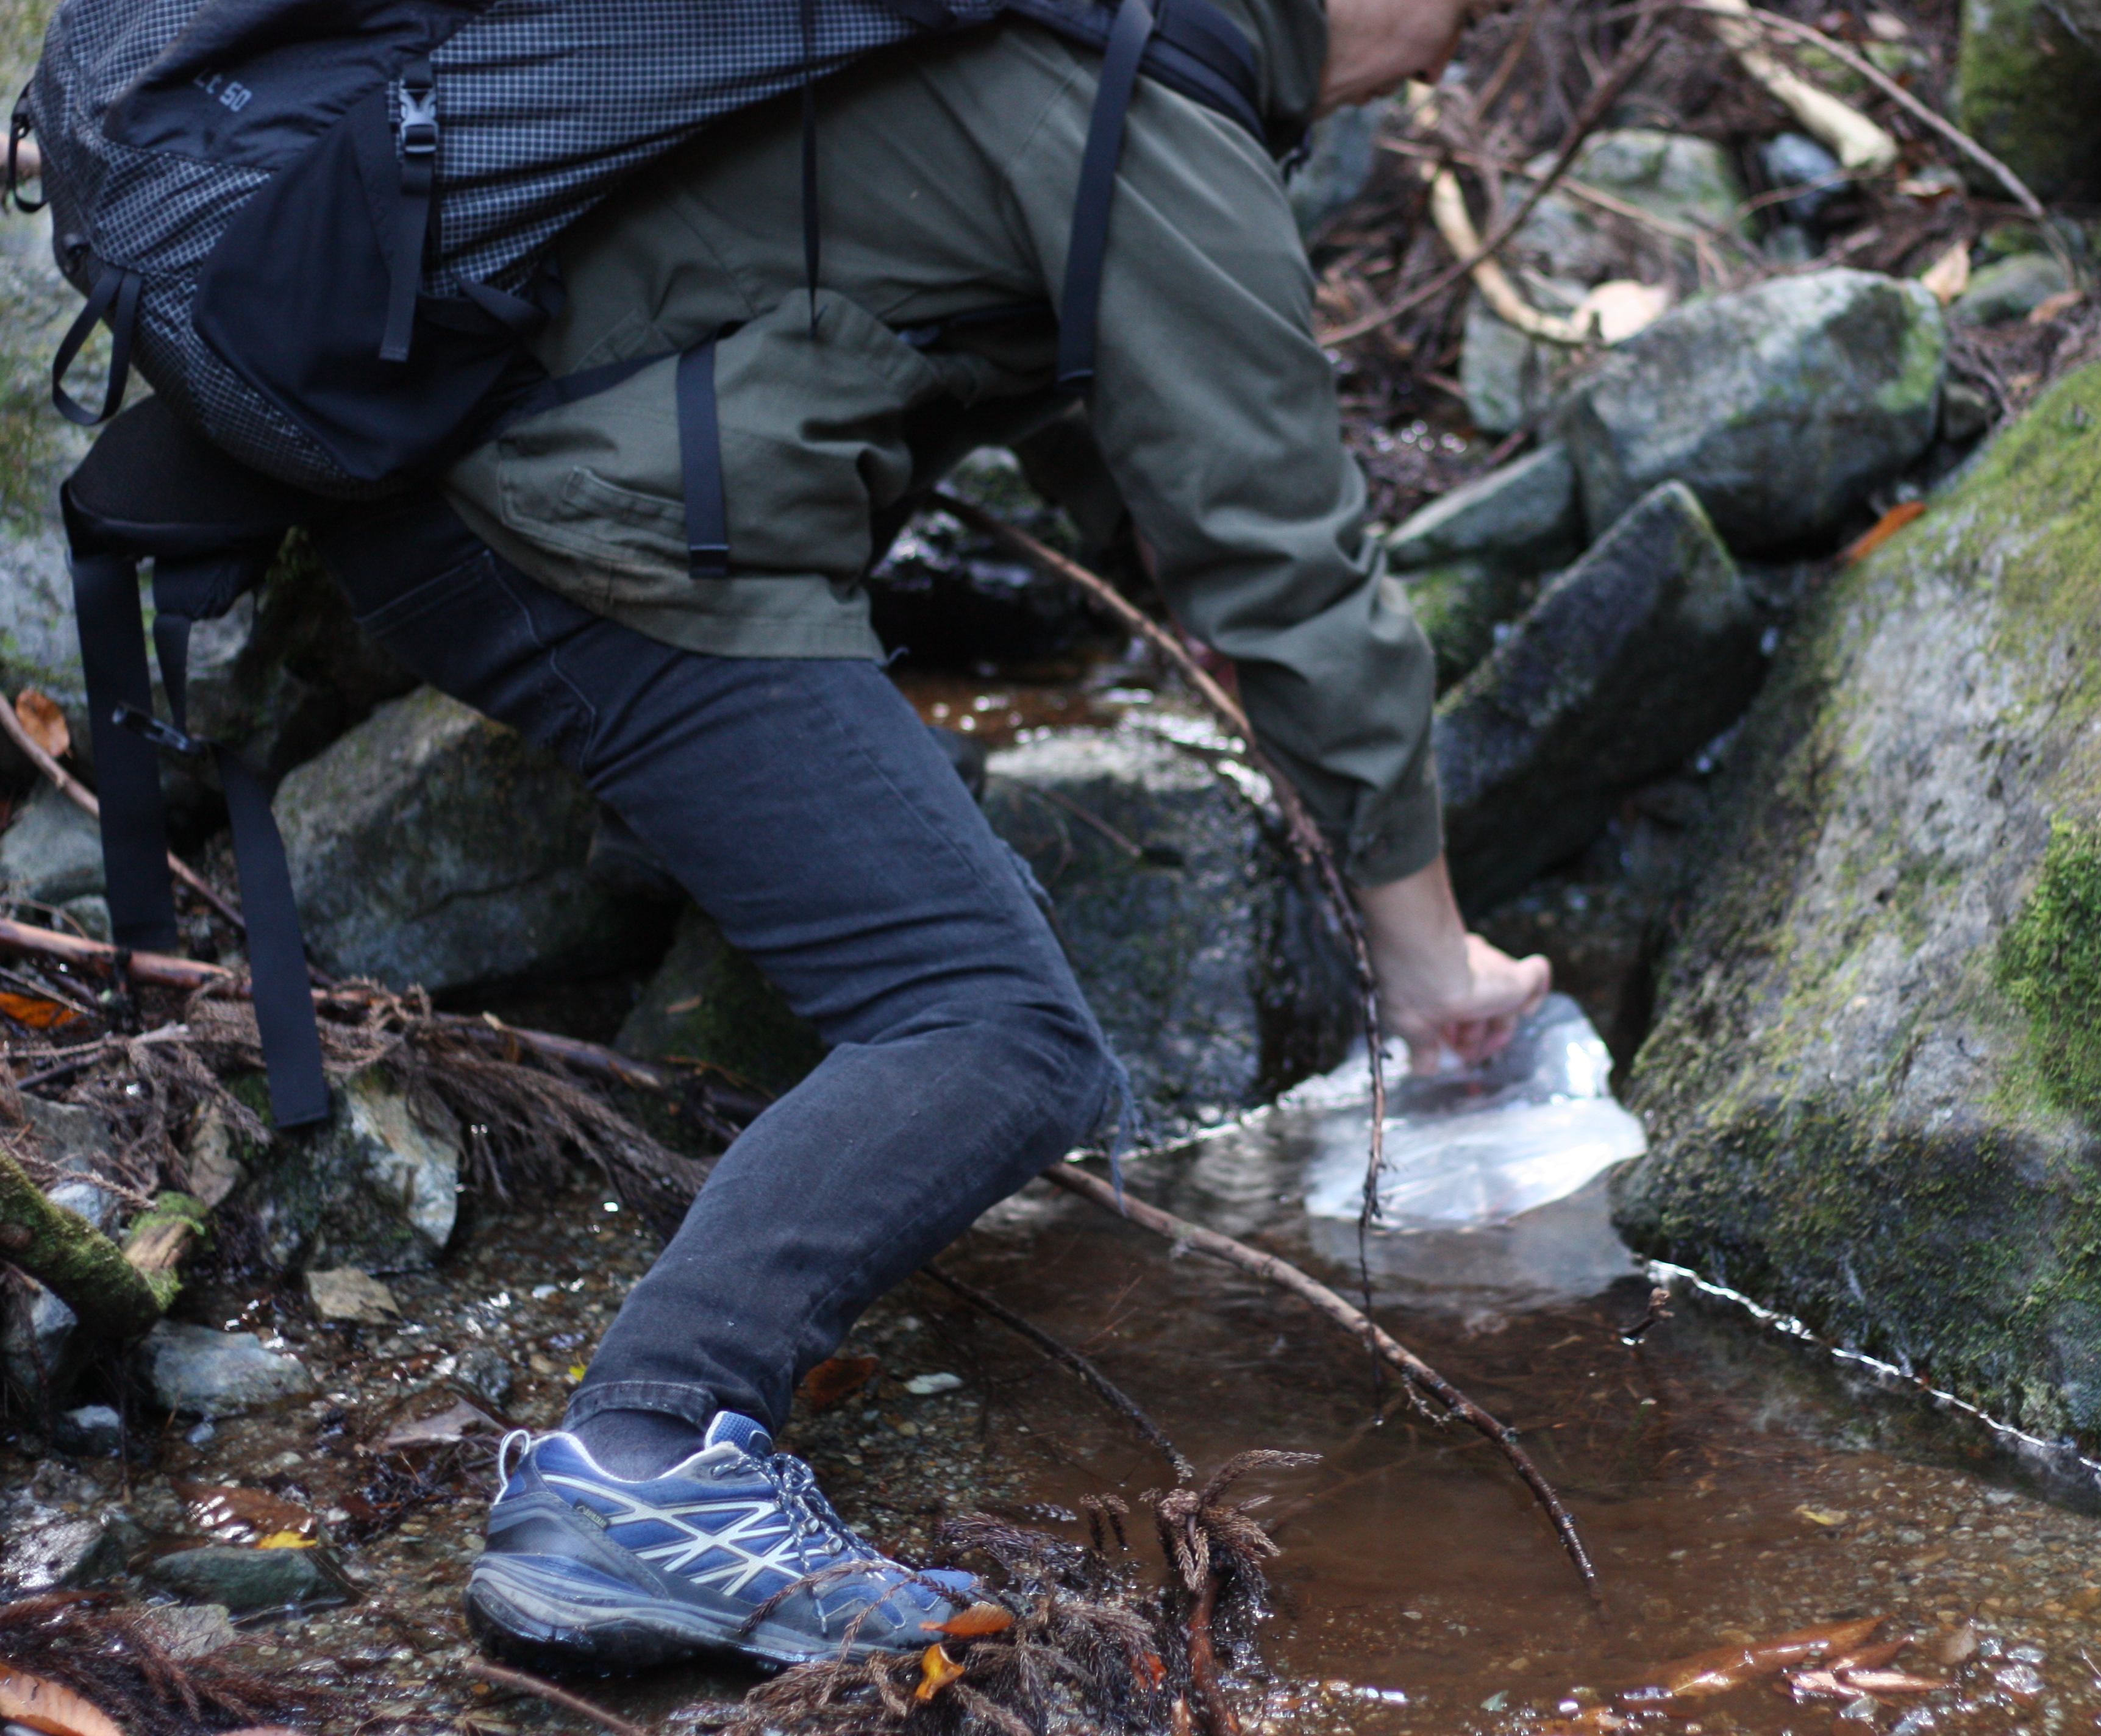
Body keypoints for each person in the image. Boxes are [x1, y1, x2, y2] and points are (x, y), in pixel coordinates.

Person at [308, 0, 1548, 1667]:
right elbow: (1294, 568)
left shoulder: (1074, 31)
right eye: (1464, 14)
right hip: (581, 525)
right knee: (1001, 1034)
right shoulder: (1154, 94)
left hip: (450, 464)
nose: (1450, 52)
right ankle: (643, 1463)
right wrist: (1430, 959)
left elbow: (1099, 398)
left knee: (950, 953)